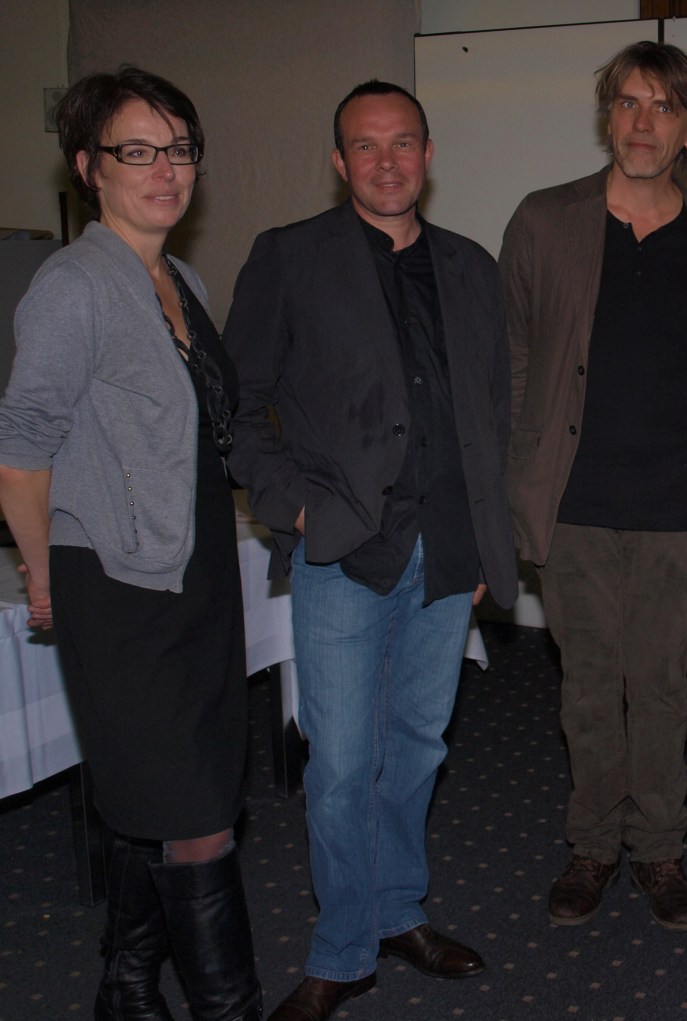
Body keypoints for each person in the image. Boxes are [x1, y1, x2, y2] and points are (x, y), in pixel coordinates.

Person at [222, 80, 517, 1021]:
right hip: (343, 551)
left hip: (447, 549)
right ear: (338, 160)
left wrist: (487, 541)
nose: (387, 161)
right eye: (365, 145)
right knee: (342, 766)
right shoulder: (290, 256)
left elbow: (492, 414)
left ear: (428, 153)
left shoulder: (470, 265)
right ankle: (342, 950)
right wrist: (295, 509)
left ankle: (397, 910)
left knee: (418, 747)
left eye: (404, 143)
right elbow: (235, 407)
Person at [500, 40, 687, 932]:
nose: (643, 122)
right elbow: (511, 354)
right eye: (628, 102)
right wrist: (519, 471)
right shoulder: (545, 221)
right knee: (588, 684)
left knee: (660, 685)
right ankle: (592, 845)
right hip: (573, 501)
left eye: (665, 107)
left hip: (678, 502)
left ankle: (659, 846)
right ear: (607, 116)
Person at [0, 68, 260, 1020]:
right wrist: (42, 574)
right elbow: (20, 448)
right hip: (116, 588)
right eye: (136, 151)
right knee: (197, 822)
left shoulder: (182, 280)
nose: (165, 170)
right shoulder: (73, 286)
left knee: (164, 801)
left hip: (196, 573)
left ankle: (126, 983)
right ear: (88, 167)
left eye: (179, 150)